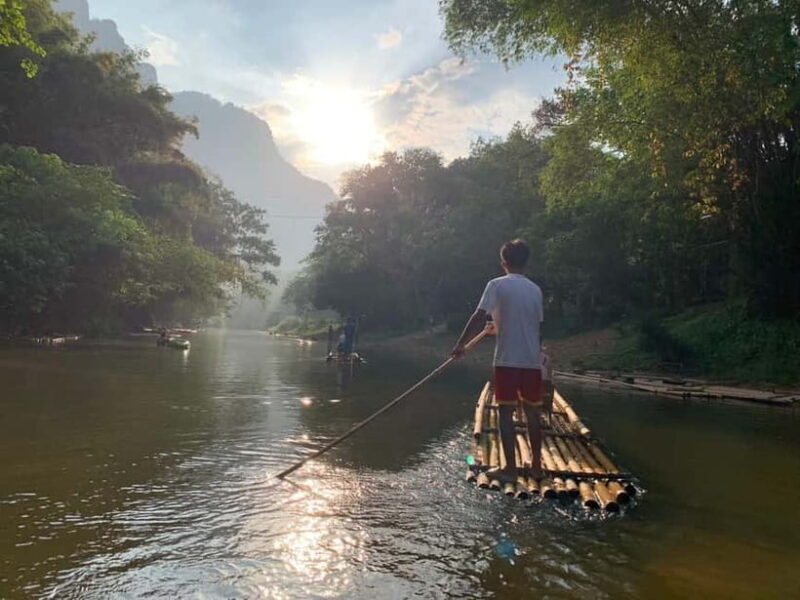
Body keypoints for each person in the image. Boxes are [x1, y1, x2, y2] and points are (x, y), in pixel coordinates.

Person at [451, 239, 544, 482]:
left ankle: (510, 469)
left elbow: (478, 315)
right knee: (533, 413)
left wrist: (460, 345)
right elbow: (532, 326)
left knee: (505, 412)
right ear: (526, 263)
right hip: (532, 360)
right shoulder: (535, 290)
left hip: (507, 361)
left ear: (503, 262)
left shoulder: (496, 285)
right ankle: (536, 467)